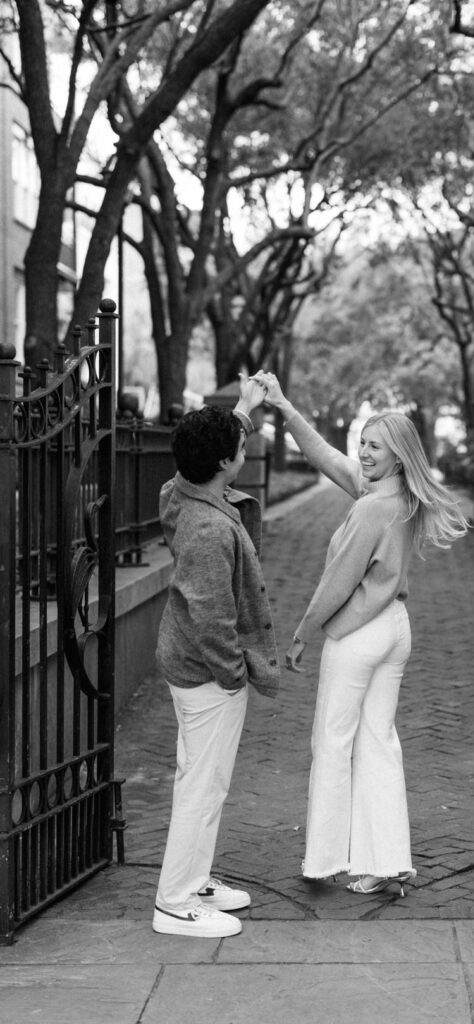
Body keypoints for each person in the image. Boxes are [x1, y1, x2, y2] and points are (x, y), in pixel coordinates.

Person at [253, 370, 469, 896]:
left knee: (331, 740)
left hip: (359, 635)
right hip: (395, 629)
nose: (365, 454)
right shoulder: (402, 498)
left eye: (375, 447)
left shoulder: (372, 507)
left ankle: (324, 860)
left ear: (397, 454)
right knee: (379, 742)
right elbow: (327, 457)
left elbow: (337, 582)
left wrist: (304, 632)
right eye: (363, 444)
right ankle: (388, 863)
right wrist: (284, 405)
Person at [152, 378, 279, 938]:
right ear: (226, 463)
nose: (245, 452)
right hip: (207, 674)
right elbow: (211, 614)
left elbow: (218, 444)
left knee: (201, 777)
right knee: (202, 785)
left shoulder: (180, 489)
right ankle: (175, 902)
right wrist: (233, 676)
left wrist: (244, 412)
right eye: (240, 448)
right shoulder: (206, 526)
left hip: (189, 665)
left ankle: (195, 878)